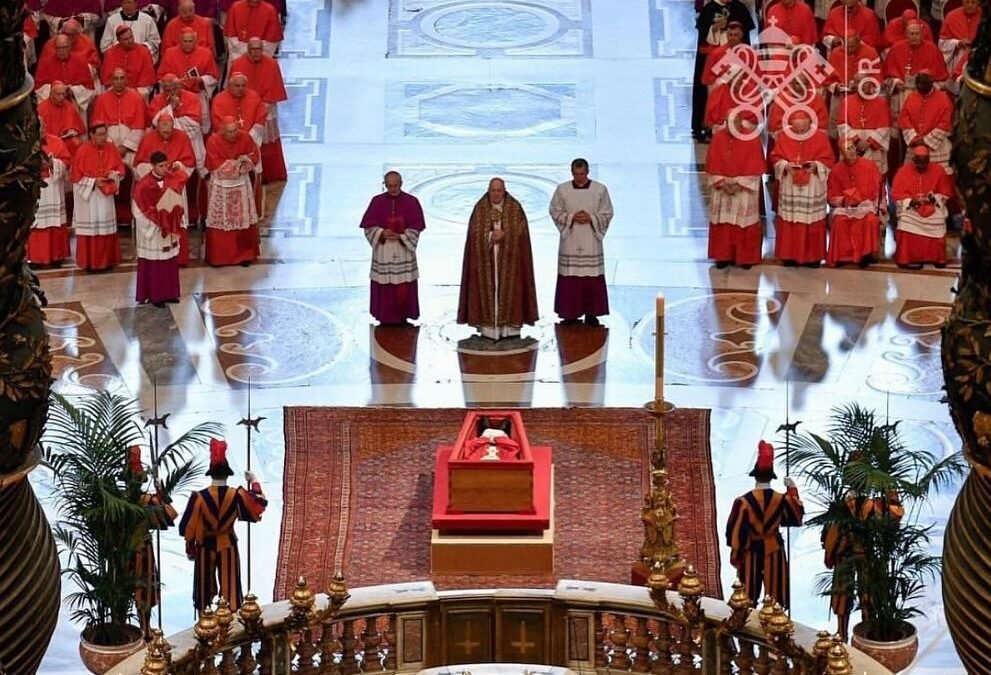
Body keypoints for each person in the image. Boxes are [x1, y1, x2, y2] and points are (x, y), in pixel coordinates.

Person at [179, 438, 266, 612]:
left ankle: (205, 622)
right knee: (231, 588)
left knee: (203, 589)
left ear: (211, 474)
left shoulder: (199, 497)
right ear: (227, 474)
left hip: (205, 546)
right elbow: (259, 505)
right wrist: (254, 480)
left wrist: (190, 548)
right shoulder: (237, 495)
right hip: (228, 544)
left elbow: (187, 528)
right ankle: (232, 624)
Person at [457, 177, 539, 340]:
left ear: (504, 190)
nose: (496, 194)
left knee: (511, 289)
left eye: (499, 190)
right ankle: (488, 328)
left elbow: (522, 231)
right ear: (489, 190)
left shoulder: (514, 207)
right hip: (486, 259)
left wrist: (506, 234)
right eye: (493, 190)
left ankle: (509, 328)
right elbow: (474, 233)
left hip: (510, 260)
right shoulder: (480, 208)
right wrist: (489, 236)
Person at [725, 441, 804, 608]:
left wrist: (736, 553)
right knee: (775, 600)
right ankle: (775, 630)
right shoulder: (782, 500)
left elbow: (736, 533)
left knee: (746, 597)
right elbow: (796, 517)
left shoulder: (743, 502)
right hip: (774, 549)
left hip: (751, 551)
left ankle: (745, 629)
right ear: (771, 476)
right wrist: (792, 489)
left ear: (755, 476)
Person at [822, 488, 904, 642]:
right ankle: (864, 633)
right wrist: (892, 496)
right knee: (864, 595)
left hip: (847, 557)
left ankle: (843, 632)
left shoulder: (841, 505)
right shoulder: (874, 505)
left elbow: (830, 532)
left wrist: (829, 552)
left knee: (849, 594)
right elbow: (896, 514)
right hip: (865, 556)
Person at [549, 158, 614, 326]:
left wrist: (591, 218)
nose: (579, 178)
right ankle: (570, 313)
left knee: (591, 277)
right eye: (576, 174)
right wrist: (572, 217)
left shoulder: (599, 190)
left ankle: (592, 313)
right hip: (571, 239)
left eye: (582, 174)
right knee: (570, 277)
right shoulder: (562, 190)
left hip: (591, 239)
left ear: (588, 172)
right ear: (571, 172)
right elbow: (554, 210)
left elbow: (607, 212)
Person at [358, 171, 426, 327]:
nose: (392, 189)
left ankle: (404, 315)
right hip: (384, 251)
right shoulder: (377, 201)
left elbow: (417, 226)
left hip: (403, 252)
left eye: (395, 186)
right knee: (385, 284)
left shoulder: (411, 202)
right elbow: (368, 225)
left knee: (403, 284)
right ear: (385, 185)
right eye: (389, 186)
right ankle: (384, 315)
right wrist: (382, 232)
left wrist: (402, 236)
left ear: (401, 184)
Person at [125, 447, 177, 638]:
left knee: (125, 592)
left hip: (123, 549)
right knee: (144, 592)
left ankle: (130, 630)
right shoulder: (148, 500)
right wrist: (161, 492)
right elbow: (171, 514)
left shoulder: (118, 499)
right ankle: (145, 630)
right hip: (143, 550)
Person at [770, 111, 834, 267]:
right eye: (796, 130)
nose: (799, 133)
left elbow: (828, 159)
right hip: (790, 185)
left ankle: (812, 257)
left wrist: (816, 165)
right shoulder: (784, 135)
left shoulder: (819, 136)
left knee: (811, 220)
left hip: (812, 186)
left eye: (803, 130)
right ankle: (789, 255)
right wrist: (785, 165)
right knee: (790, 220)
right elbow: (775, 156)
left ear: (809, 124)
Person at [705, 114, 766, 269]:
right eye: (728, 123)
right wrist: (723, 183)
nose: (730, 127)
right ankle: (722, 256)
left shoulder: (751, 139)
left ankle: (745, 258)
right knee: (723, 222)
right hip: (722, 187)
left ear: (741, 123)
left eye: (734, 123)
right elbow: (712, 163)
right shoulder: (718, 138)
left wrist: (739, 185)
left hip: (744, 189)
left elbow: (755, 168)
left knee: (743, 223)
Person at [134, 116, 196, 265]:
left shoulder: (182, 137)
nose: (166, 135)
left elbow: (189, 163)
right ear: (158, 128)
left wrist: (178, 166)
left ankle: (178, 257)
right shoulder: (148, 139)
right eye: (162, 131)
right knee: (156, 221)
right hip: (152, 189)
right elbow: (139, 163)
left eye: (169, 131)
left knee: (175, 217)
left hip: (175, 188)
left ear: (173, 126)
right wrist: (154, 171)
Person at [691, 0, 754, 142]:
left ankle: (739, 123)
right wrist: (714, 29)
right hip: (716, 59)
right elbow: (703, 37)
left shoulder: (739, 8)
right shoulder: (709, 9)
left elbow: (746, 38)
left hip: (737, 60)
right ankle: (706, 126)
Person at [204, 117, 260, 267]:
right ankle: (220, 257)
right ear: (222, 131)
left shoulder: (245, 137)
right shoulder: (213, 141)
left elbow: (254, 155)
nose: (233, 134)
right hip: (221, 186)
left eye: (235, 130)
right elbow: (215, 164)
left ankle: (244, 256)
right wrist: (236, 165)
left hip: (242, 184)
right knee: (221, 220)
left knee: (243, 219)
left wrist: (245, 161)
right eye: (229, 132)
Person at [230, 37, 287, 183]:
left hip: (266, 109)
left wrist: (260, 107)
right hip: (244, 110)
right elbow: (233, 89)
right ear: (248, 50)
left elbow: (274, 89)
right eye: (253, 49)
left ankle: (268, 174)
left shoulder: (272, 64)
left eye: (259, 49)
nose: (256, 53)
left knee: (267, 143)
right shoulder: (238, 64)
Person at [72, 122, 125, 271]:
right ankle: (90, 263)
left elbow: (120, 171)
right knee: (91, 229)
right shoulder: (82, 151)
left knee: (105, 229)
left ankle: (106, 261)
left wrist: (112, 175)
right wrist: (94, 181)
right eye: (100, 134)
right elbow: (76, 177)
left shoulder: (111, 148)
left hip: (105, 196)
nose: (104, 137)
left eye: (105, 134)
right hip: (89, 197)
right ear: (91, 135)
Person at [132, 151, 184, 305]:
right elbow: (137, 209)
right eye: (161, 166)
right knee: (156, 263)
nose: (164, 169)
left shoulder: (171, 180)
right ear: (152, 166)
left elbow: (178, 200)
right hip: (153, 230)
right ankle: (155, 295)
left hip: (168, 228)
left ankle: (170, 293)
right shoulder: (143, 185)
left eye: (166, 165)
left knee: (169, 261)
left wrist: (174, 215)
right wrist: (155, 224)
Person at [892, 145, 953, 269]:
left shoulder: (939, 170)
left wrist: (933, 198)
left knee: (938, 219)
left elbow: (946, 193)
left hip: (932, 206)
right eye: (919, 164)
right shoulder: (903, 171)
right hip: (911, 207)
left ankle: (937, 258)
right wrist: (911, 201)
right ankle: (907, 258)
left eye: (924, 164)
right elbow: (896, 194)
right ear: (913, 160)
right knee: (905, 221)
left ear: (929, 161)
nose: (922, 167)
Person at [827, 139, 885, 267]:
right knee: (840, 221)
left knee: (870, 220)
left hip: (866, 205)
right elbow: (832, 195)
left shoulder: (869, 166)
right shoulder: (836, 170)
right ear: (841, 153)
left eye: (852, 147)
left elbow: (879, 189)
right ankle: (843, 257)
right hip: (846, 207)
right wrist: (844, 200)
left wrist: (879, 207)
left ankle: (866, 254)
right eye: (847, 149)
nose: (851, 151)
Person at [158, 29, 220, 133]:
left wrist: (201, 80)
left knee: (199, 128)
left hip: (197, 95)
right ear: (180, 41)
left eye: (190, 41)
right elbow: (161, 76)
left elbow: (213, 77)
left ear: (195, 41)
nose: (187, 44)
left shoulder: (206, 53)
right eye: (185, 41)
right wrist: (172, 81)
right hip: (174, 96)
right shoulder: (169, 53)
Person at [28, 128, 73, 268]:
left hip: (52, 187)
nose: (40, 132)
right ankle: (35, 258)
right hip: (34, 186)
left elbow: (66, 161)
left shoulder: (56, 142)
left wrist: (53, 163)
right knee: (36, 224)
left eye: (42, 129)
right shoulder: (27, 141)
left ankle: (56, 256)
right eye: (38, 128)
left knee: (55, 223)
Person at [90, 68, 149, 166]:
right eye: (116, 79)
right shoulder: (102, 99)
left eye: (122, 78)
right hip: (108, 143)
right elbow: (98, 128)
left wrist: (125, 147)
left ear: (126, 80)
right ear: (111, 81)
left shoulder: (137, 98)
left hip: (131, 147)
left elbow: (139, 127)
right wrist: (110, 146)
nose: (119, 82)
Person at [837, 73, 892, 176]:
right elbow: (842, 124)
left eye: (863, 82)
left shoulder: (881, 102)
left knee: (873, 176)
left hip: (873, 147)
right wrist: (856, 140)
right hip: (852, 145)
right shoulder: (847, 101)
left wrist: (869, 142)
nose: (860, 85)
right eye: (857, 82)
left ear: (870, 83)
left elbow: (884, 127)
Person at [898, 71, 954, 170]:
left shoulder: (943, 98)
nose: (920, 86)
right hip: (915, 146)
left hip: (936, 147)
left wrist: (926, 140)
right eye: (918, 84)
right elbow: (904, 119)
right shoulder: (911, 97)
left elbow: (945, 123)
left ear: (931, 83)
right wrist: (914, 138)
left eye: (923, 84)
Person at [34, 34, 96, 113]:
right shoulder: (46, 62)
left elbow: (88, 87)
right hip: (52, 103)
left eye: (64, 47)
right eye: (58, 48)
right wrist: (56, 90)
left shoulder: (81, 61)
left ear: (70, 47)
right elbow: (39, 87)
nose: (61, 51)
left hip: (74, 103)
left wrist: (72, 90)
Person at [100, 26, 158, 100]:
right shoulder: (110, 53)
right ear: (119, 40)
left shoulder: (144, 52)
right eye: (125, 39)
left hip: (139, 90)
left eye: (131, 37)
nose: (130, 41)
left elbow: (147, 80)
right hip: (116, 90)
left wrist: (132, 93)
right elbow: (107, 81)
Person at [37, 81, 86, 158]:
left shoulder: (69, 106)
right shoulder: (41, 109)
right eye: (58, 94)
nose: (62, 97)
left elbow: (78, 127)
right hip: (50, 142)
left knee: (77, 143)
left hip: (66, 141)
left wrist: (72, 131)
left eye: (63, 94)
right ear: (51, 94)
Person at [940, 0, 981, 78]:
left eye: (973, 2)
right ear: (962, 2)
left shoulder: (984, 17)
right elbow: (942, 43)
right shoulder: (951, 16)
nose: (970, 5)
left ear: (978, 2)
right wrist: (957, 43)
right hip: (957, 57)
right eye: (967, 2)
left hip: (978, 59)